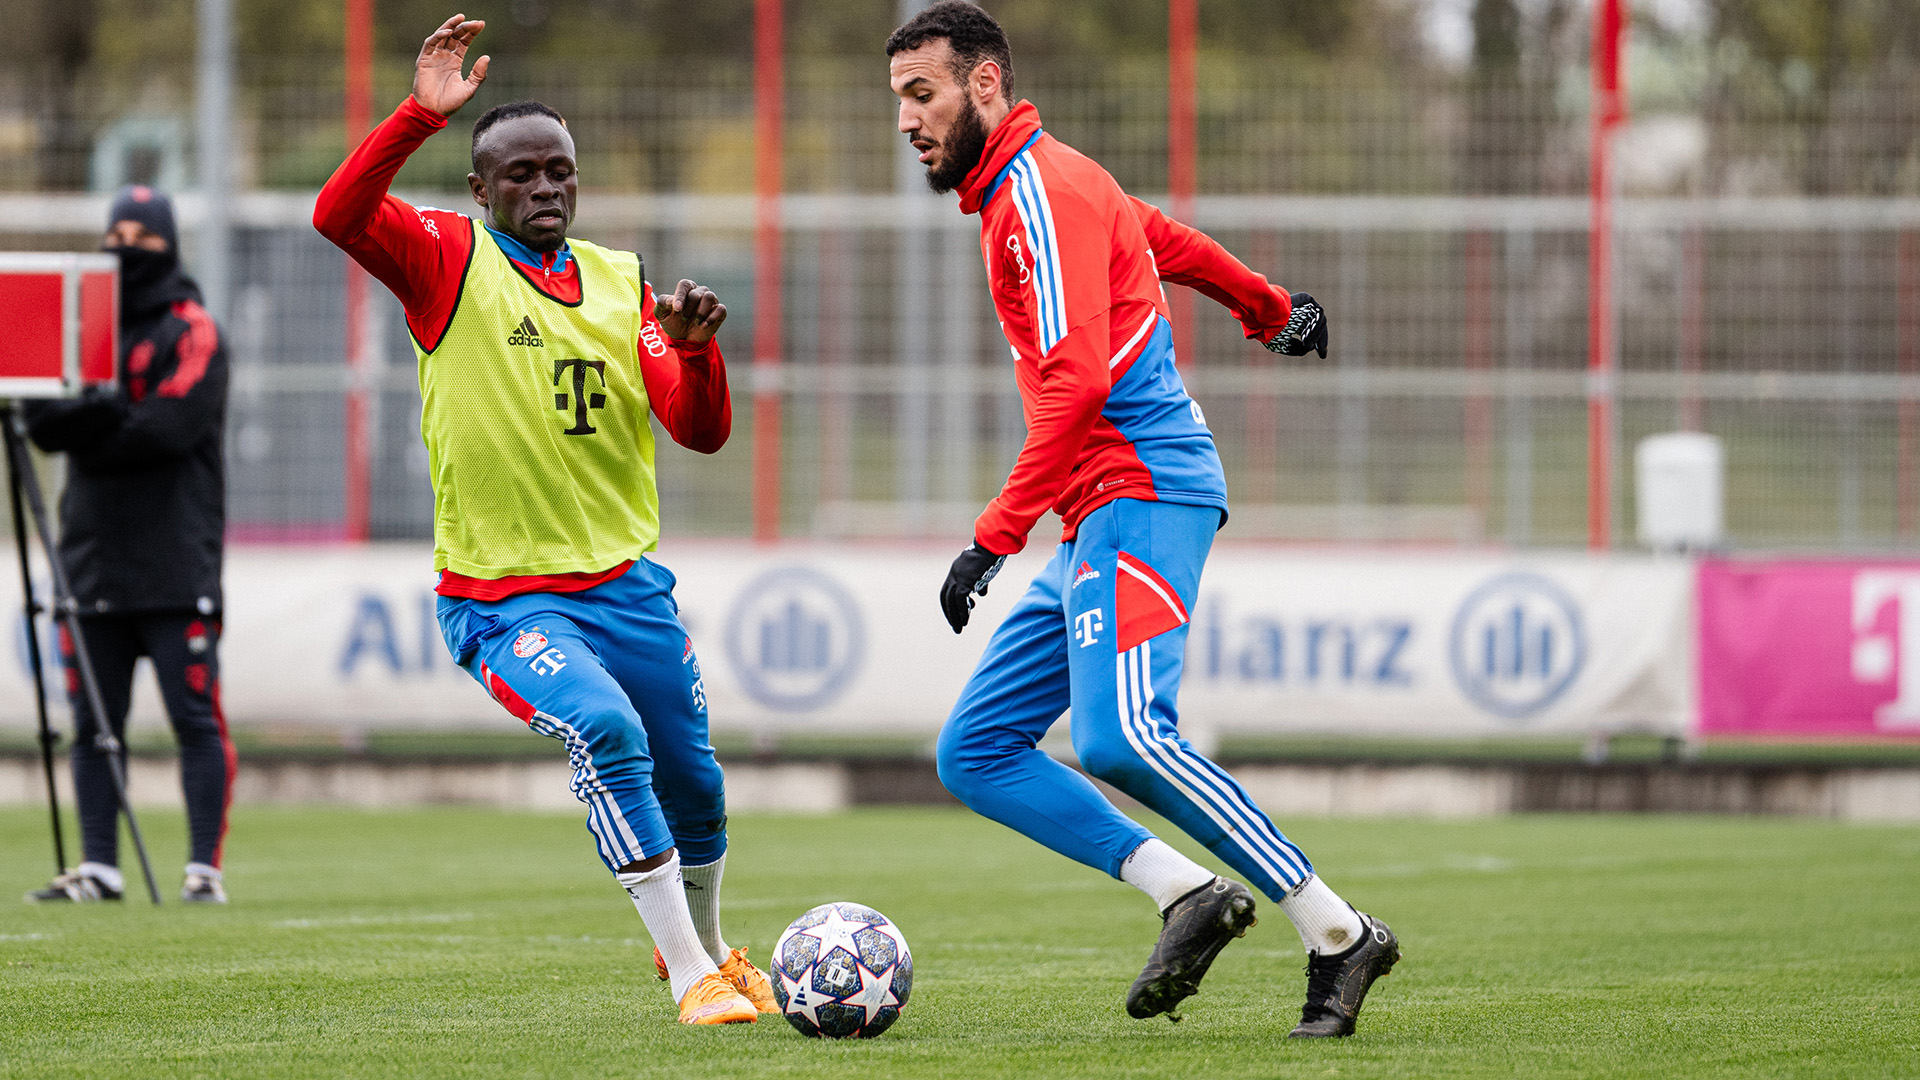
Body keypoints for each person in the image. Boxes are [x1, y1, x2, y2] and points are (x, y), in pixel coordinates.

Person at [888, 2, 1397, 1037]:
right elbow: (1158, 236)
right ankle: (1186, 892)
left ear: (985, 84)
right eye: (898, 98)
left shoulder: (1036, 191)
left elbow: (1075, 382)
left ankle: (1340, 932)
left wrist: (993, 534)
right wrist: (1266, 303)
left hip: (1142, 488)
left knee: (1121, 737)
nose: (906, 119)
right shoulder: (1047, 185)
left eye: (922, 93)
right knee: (978, 750)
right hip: (1094, 508)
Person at [313, 14, 764, 1025]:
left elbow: (698, 432)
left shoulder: (621, 282)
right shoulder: (446, 258)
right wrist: (413, 118)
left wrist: (692, 352)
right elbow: (339, 215)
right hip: (505, 598)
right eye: (520, 174)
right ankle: (692, 974)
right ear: (481, 190)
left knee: (696, 781)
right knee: (603, 729)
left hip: (629, 588)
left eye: (559, 170)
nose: (546, 188)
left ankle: (709, 949)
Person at [22, 185, 236, 906]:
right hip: (90, 559)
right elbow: (39, 419)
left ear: (168, 244)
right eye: (114, 233)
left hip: (177, 563)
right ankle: (99, 867)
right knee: (92, 726)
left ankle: (203, 870)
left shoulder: (193, 327)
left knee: (193, 719)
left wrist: (95, 419)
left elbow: (168, 428)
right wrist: (105, 416)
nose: (124, 247)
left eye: (140, 236)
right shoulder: (84, 327)